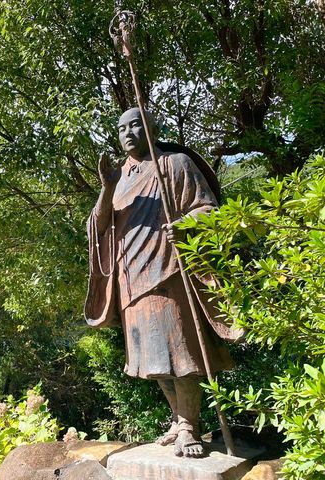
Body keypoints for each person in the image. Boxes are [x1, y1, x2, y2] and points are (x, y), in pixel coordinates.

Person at [85, 107, 237, 457]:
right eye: (121, 127)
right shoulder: (118, 177)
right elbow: (98, 226)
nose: (127, 133)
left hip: (169, 270)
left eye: (136, 125)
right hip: (132, 277)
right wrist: (107, 188)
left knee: (180, 354)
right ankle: (177, 419)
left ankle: (189, 425)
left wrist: (185, 223)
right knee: (154, 361)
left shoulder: (175, 165)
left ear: (152, 128)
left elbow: (209, 208)